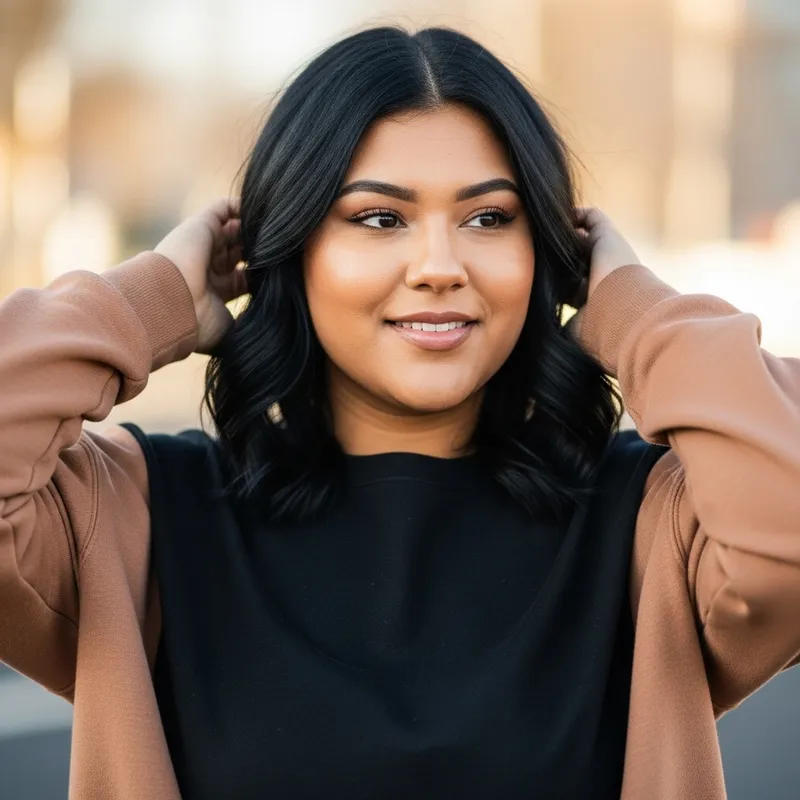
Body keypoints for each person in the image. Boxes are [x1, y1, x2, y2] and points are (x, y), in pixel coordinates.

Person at [0, 25, 798, 800]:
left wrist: (640, 315)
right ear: (289, 246)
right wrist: (145, 304)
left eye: (490, 218)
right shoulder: (131, 521)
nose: (440, 267)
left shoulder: (653, 524)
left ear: (550, 253)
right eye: (379, 218)